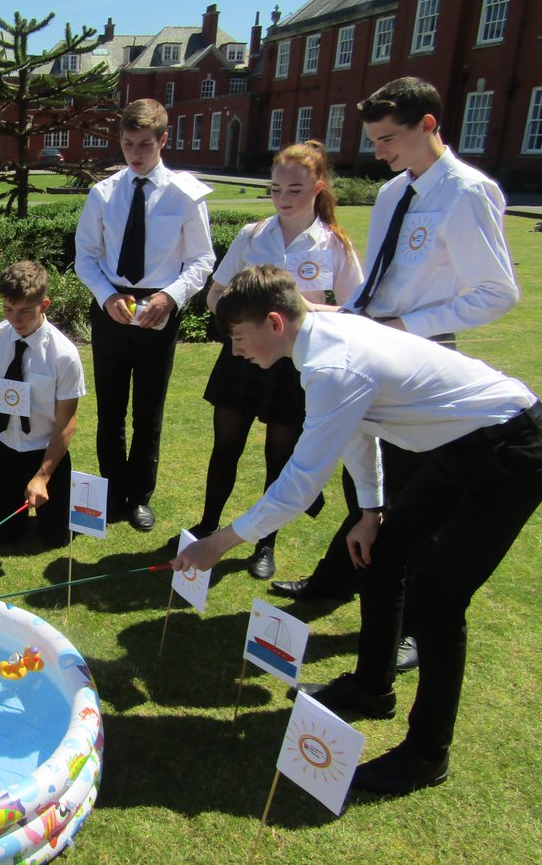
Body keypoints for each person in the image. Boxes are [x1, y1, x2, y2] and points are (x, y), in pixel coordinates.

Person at [175, 266, 542, 797]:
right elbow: (358, 431)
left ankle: (426, 755)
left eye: (237, 338)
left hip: (509, 449)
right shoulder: (320, 347)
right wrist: (369, 512)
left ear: (274, 322)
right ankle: (373, 688)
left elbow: (299, 485)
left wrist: (220, 541)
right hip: (459, 445)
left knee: (437, 601)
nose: (235, 352)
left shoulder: (332, 363)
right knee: (379, 554)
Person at [268, 78, 519, 671]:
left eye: (389, 139)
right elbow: (376, 283)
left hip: (420, 358)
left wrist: (409, 324)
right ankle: (339, 580)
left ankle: (408, 622)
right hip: (372, 343)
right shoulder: (392, 194)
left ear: (429, 125)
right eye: (375, 140)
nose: (379, 152)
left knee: (411, 499)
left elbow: (497, 293)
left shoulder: (467, 192)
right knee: (366, 485)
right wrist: (344, 317)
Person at [182, 141, 362, 579]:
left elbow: (360, 310)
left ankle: (265, 543)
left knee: (279, 457)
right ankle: (207, 527)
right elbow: (215, 294)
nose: (283, 198)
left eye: (295, 189)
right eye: (276, 188)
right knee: (226, 447)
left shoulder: (333, 244)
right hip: (244, 356)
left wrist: (303, 309)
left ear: (318, 188)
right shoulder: (251, 235)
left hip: (296, 362)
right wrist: (240, 325)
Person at [74, 98, 215, 532]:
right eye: (129, 144)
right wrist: (105, 296)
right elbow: (85, 256)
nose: (136, 154)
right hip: (112, 307)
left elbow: (202, 259)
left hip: (159, 309)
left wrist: (170, 298)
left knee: (148, 410)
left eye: (145, 145)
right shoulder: (104, 193)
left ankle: (140, 496)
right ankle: (112, 492)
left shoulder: (186, 194)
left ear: (163, 141)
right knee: (111, 408)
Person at [0, 261, 86, 547]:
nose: (15, 320)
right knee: (4, 537)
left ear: (44, 304)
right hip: (3, 451)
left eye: (25, 311)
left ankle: (63, 498)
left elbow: (67, 422)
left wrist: (42, 476)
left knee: (56, 539)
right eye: (8, 310)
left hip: (44, 454)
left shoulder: (63, 354)